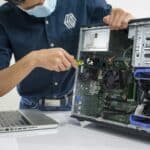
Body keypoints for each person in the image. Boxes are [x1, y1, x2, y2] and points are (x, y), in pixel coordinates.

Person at [0, 0, 134, 110]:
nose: (43, 5)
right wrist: (33, 60)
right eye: (34, 6)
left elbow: (123, 31)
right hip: (31, 110)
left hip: (76, 108)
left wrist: (127, 21)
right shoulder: (4, 16)